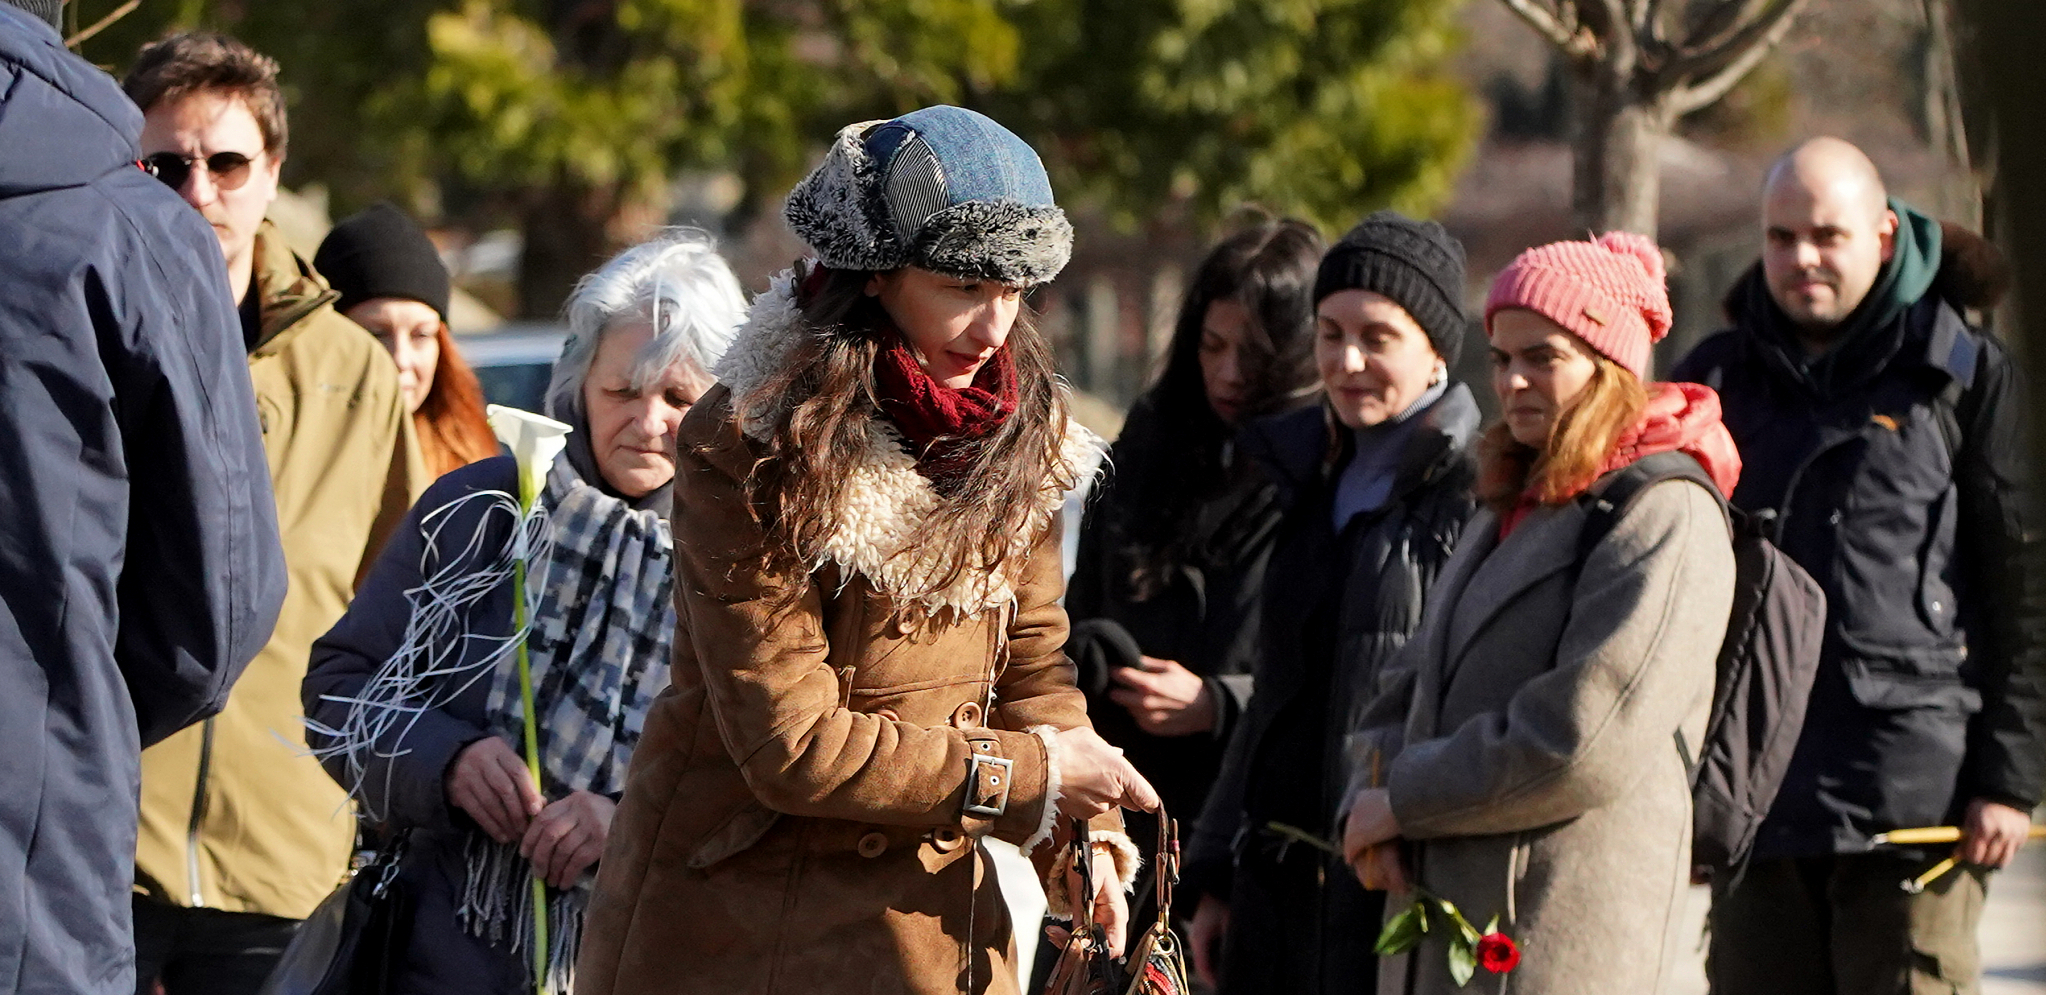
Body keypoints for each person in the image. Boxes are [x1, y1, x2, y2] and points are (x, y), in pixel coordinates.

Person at [575, 105, 1160, 995]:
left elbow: (1034, 666)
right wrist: (1034, 778)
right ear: (877, 275)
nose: (995, 326)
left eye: (1016, 290)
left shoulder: (1023, 436)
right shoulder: (748, 436)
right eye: (965, 286)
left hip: (934, 935)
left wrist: (1085, 836)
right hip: (739, 929)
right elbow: (792, 743)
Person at [304, 230, 746, 994]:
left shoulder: (751, 560)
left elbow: (772, 775)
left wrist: (629, 822)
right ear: (579, 382)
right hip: (444, 956)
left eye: (678, 398)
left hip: (651, 958)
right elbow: (337, 691)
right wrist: (446, 760)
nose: (646, 421)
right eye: (621, 391)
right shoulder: (484, 512)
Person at [1672, 137, 2044, 995]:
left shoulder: (1964, 378)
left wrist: (2010, 780)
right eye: (1780, 237)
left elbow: (2026, 589)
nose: (1801, 258)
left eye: (1826, 235)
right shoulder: (1714, 384)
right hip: (1752, 805)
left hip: (1915, 809)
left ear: (1883, 236)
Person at [1340, 232, 1740, 995]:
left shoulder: (1668, 513)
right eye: (1501, 358)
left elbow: (1584, 737)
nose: (1513, 380)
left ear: (1611, 365)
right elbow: (1406, 679)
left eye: (1543, 357)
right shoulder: (1511, 498)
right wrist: (1364, 803)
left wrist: (1401, 801)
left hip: (1563, 943)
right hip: (1444, 927)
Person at [122, 33, 427, 995]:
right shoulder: (78, 329)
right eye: (165, 165)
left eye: (226, 163)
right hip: (105, 835)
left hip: (287, 844)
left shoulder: (355, 371)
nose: (197, 192)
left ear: (273, 171)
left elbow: (406, 614)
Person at [0, 7, 286, 995]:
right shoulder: (133, 233)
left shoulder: (130, 224)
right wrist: (63, 706)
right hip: (35, 865)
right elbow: (216, 606)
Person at [1183, 212, 1483, 995]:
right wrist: (1214, 873)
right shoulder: (1312, 478)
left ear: (1436, 349)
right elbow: (1274, 699)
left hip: (1390, 893)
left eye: (1377, 336)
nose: (1347, 361)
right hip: (1273, 895)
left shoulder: (1474, 492)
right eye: (1330, 333)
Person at [1066, 218, 1324, 818]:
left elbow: (1341, 676)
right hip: (1119, 791)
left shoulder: (1325, 467)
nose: (1230, 374)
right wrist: (1096, 655)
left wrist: (1219, 704)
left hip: (1246, 809)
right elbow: (1081, 600)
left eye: (1255, 355)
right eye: (1213, 347)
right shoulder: (1152, 436)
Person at [317, 201, 497, 477]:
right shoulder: (292, 461)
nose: (401, 358)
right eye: (376, 334)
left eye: (421, 335)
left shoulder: (477, 474)